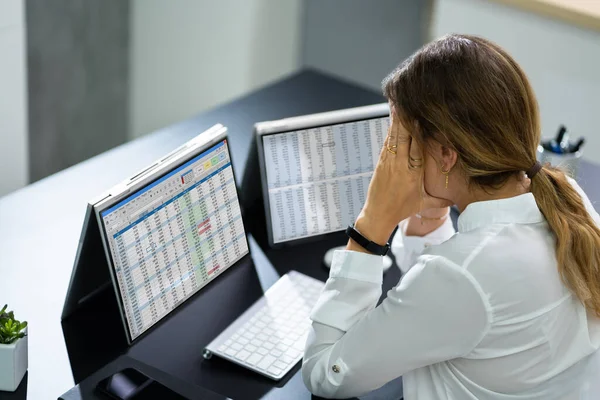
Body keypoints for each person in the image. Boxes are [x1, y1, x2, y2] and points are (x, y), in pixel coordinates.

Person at [302, 34, 600, 399]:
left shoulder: (461, 275)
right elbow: (448, 304)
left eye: (401, 137)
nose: (393, 154)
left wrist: (372, 225)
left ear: (445, 154)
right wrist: (431, 207)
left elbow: (324, 374)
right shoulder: (569, 200)